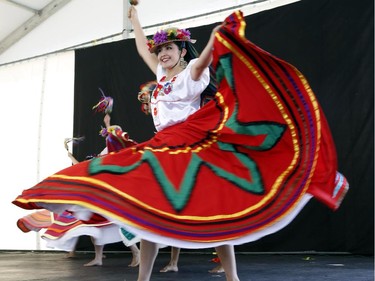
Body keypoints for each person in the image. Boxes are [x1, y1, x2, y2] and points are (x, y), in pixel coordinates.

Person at [13, 7, 349, 281]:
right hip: (162, 146)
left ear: (181, 51)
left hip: (192, 147)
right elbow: (142, 48)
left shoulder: (190, 76)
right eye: (161, 51)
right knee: (147, 210)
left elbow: (202, 61)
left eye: (169, 49)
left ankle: (233, 278)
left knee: (219, 210)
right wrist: (133, 19)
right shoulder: (160, 79)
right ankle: (140, 274)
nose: (162, 54)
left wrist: (216, 38)